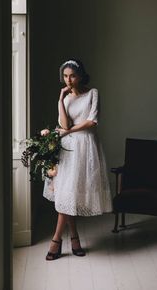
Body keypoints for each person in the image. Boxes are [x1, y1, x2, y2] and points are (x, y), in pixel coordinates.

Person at [43, 59, 112, 260]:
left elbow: (92, 121)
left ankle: (59, 240)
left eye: (72, 75)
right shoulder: (65, 98)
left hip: (86, 147)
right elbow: (63, 123)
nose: (68, 80)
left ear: (80, 75)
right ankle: (70, 238)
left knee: (72, 193)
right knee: (67, 193)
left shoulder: (93, 93)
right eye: (65, 76)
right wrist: (60, 100)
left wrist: (67, 131)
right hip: (68, 148)